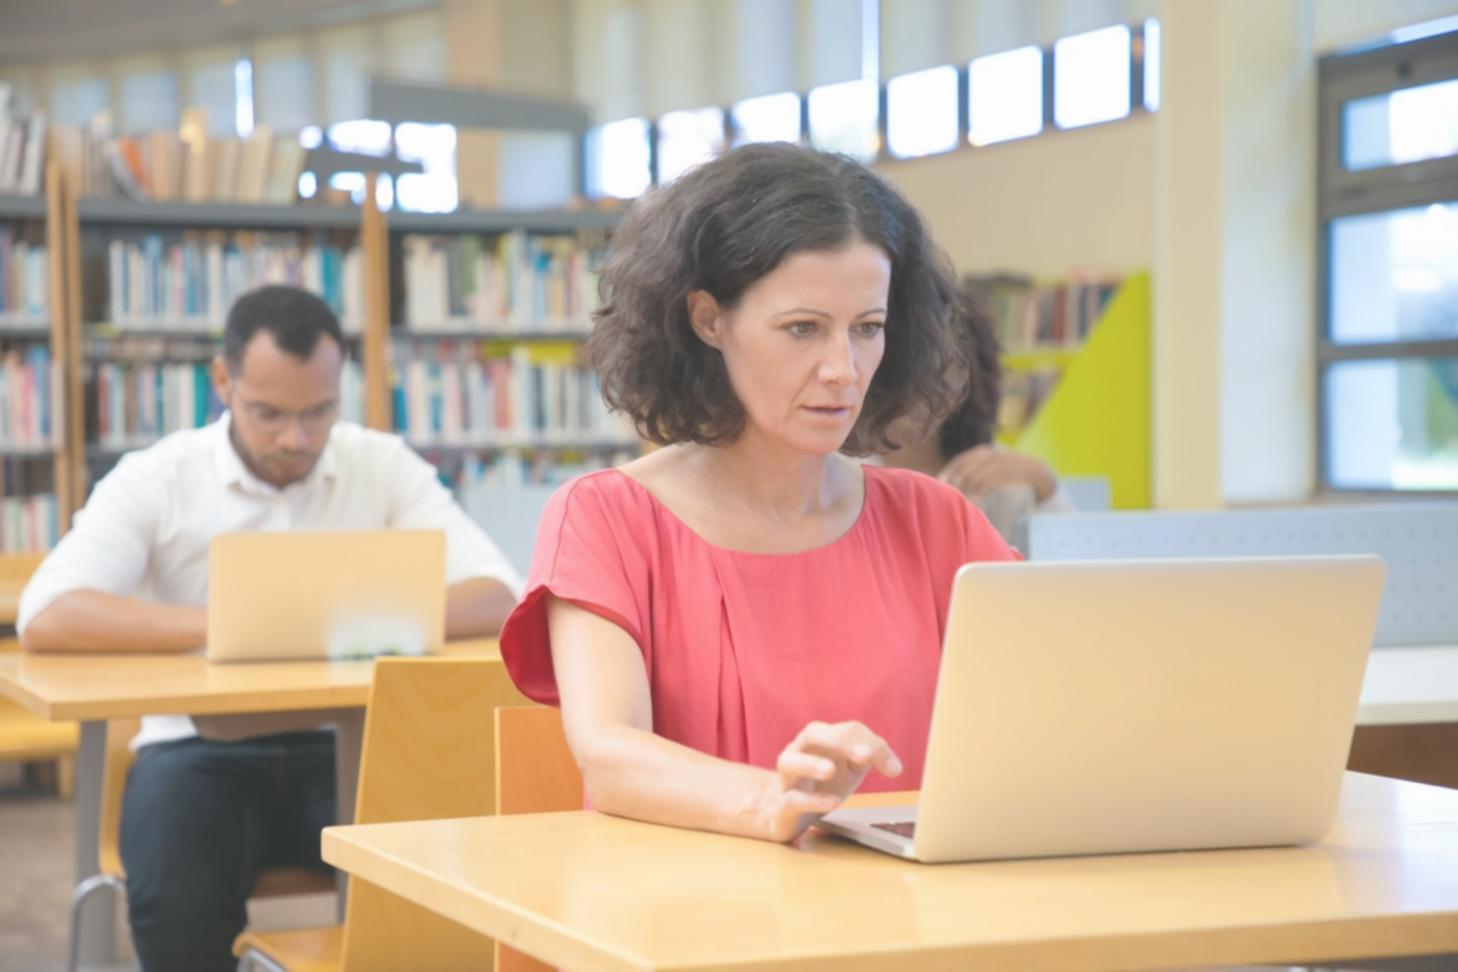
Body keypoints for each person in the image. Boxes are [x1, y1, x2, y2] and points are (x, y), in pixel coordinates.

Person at [498, 143, 1018, 846]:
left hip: (915, 908)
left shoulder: (937, 520)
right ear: (708, 320)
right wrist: (769, 802)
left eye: (868, 329)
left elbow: (1045, 714)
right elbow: (610, 754)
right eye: (803, 329)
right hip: (690, 907)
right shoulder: (605, 517)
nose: (843, 370)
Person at [17, 284, 521, 972]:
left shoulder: (380, 465)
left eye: (318, 412)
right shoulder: (159, 477)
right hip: (196, 752)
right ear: (223, 382)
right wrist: (227, 625)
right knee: (177, 899)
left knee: (451, 882)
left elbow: (500, 596)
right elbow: (48, 613)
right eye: (269, 414)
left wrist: (348, 623)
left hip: (349, 747)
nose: (296, 439)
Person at [880, 285, 1076, 550]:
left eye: (939, 374)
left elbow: (1073, 562)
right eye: (898, 370)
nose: (916, 392)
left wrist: (1044, 482)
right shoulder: (840, 470)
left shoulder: (997, 473)